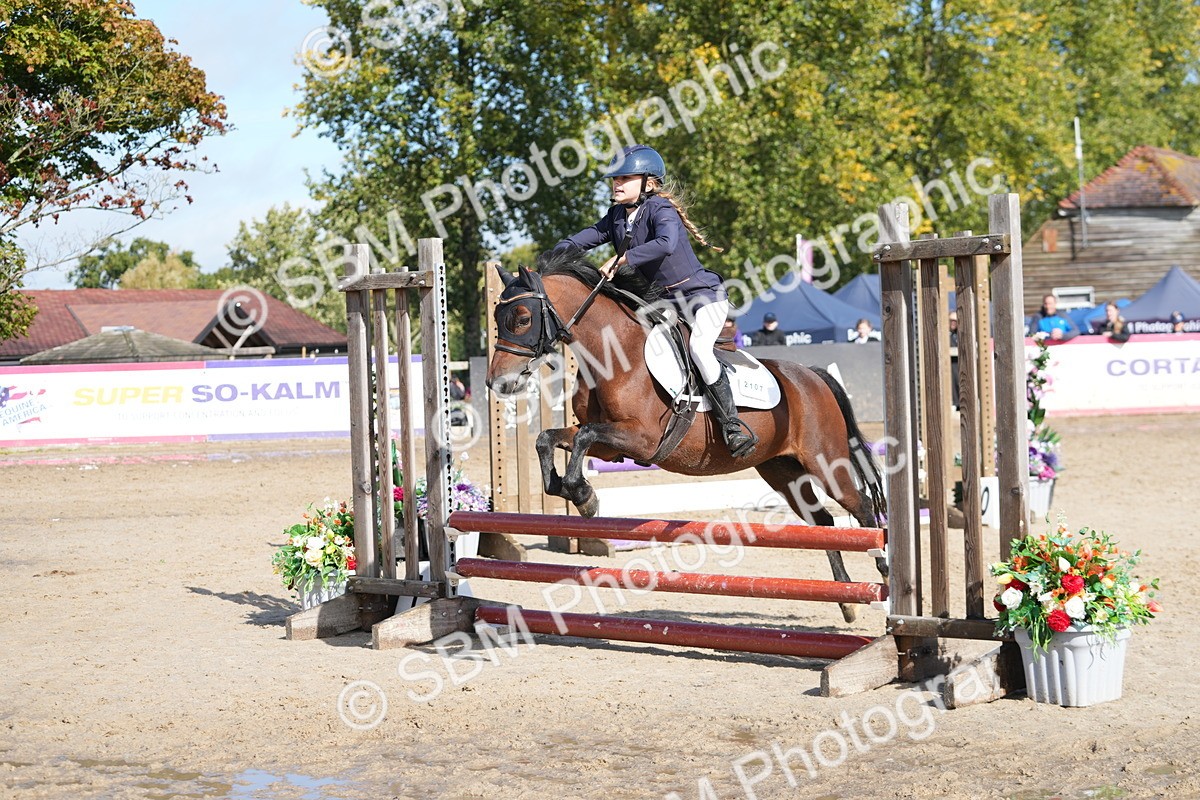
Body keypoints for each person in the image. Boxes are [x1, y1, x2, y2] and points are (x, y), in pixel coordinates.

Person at [553, 144, 757, 457]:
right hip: (663, 303)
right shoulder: (616, 216)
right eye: (615, 179)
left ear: (648, 183)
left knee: (699, 350)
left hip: (701, 297)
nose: (617, 184)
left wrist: (622, 259)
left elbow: (666, 243)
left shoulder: (661, 209)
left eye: (625, 178)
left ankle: (732, 426)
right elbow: (584, 238)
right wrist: (552, 256)